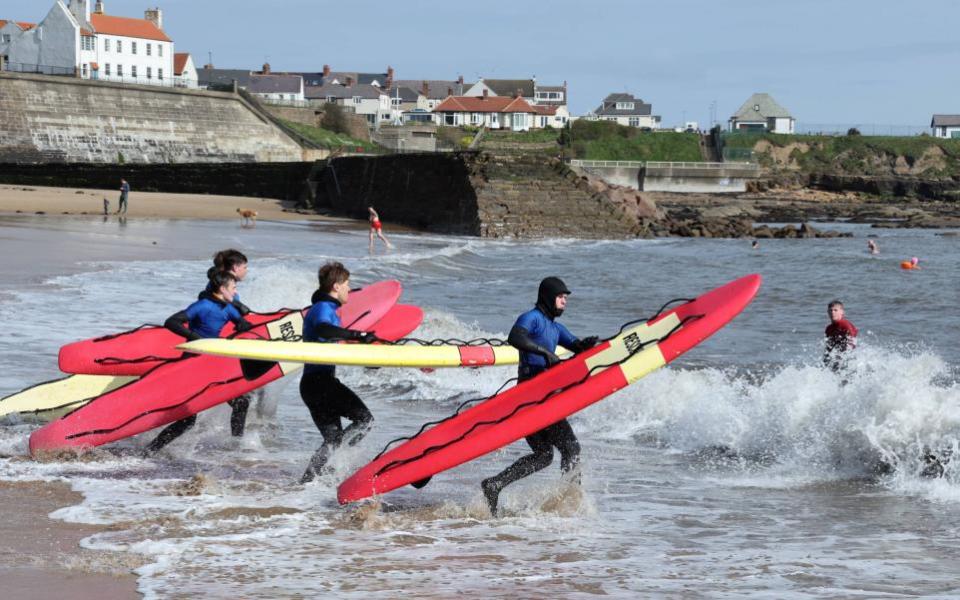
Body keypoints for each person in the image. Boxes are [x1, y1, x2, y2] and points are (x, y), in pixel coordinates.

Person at [480, 277, 598, 516]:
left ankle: (494, 484)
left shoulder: (556, 328)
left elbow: (576, 347)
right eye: (561, 297)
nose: (565, 302)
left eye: (566, 298)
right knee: (571, 447)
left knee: (544, 455)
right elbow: (515, 337)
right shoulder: (531, 318)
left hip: (538, 397)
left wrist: (586, 345)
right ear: (548, 296)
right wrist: (545, 352)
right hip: (531, 396)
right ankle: (571, 501)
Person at [144, 271, 252, 454]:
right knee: (188, 419)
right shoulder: (203, 306)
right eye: (233, 288)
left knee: (241, 402)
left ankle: (236, 445)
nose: (235, 292)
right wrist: (197, 340)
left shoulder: (227, 308)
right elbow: (172, 322)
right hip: (192, 365)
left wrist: (241, 324)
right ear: (222, 289)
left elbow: (244, 325)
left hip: (212, 366)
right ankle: (149, 450)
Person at [299, 261, 378, 483]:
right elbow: (323, 329)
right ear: (336, 286)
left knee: (332, 440)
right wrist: (357, 335)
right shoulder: (324, 309)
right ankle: (334, 466)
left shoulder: (324, 308)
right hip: (322, 384)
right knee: (365, 420)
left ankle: (307, 482)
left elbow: (332, 339)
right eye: (347, 284)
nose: (349, 289)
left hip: (312, 385)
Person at [200, 249, 254, 436]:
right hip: (211, 353)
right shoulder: (221, 287)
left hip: (217, 350)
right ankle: (236, 444)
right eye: (245, 267)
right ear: (235, 267)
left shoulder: (222, 284)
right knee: (242, 400)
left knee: (243, 398)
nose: (247, 271)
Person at [824, 300, 857, 371]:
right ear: (828, 312)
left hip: (847, 358)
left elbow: (852, 341)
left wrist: (844, 356)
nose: (832, 312)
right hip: (835, 358)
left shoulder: (845, 324)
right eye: (830, 310)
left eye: (835, 310)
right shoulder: (828, 328)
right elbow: (828, 347)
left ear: (842, 312)